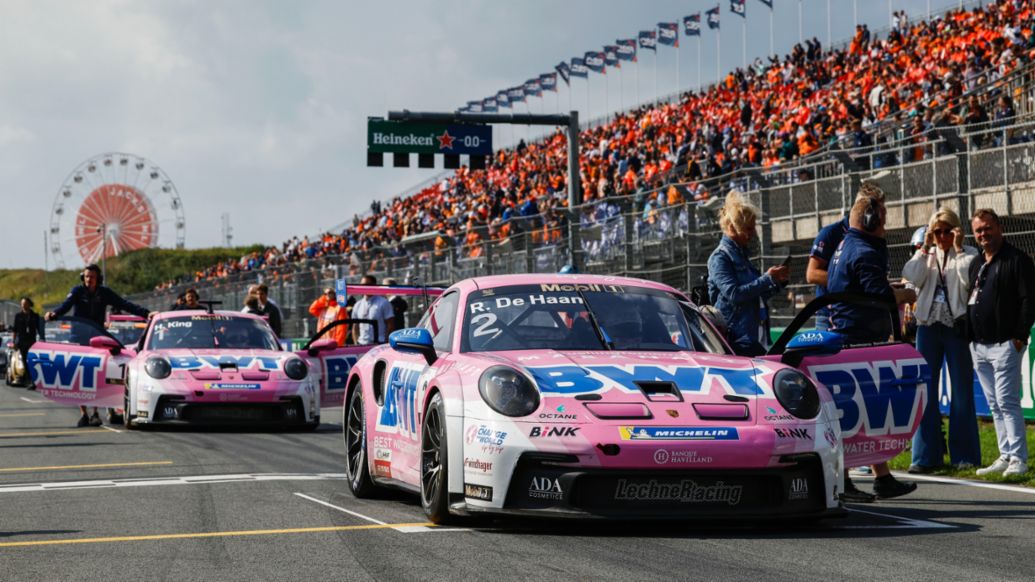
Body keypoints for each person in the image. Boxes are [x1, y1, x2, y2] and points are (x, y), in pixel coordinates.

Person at [827, 186, 918, 501]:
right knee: (851, 414)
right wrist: (905, 294)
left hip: (853, 338)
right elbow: (876, 296)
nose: (886, 224)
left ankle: (881, 476)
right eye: (883, 217)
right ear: (869, 218)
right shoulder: (864, 251)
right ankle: (844, 481)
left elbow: (866, 288)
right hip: (858, 342)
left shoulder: (847, 245)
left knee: (865, 412)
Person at [902, 207, 981, 473]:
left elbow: (967, 280)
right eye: (938, 231)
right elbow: (911, 278)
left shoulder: (968, 253)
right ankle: (925, 456)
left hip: (956, 327)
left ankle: (964, 456)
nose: (943, 236)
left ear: (957, 230)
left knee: (961, 392)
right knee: (925, 391)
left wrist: (957, 250)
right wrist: (924, 248)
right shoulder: (926, 254)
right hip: (927, 327)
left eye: (948, 230)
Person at [967, 209, 1034, 477]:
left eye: (987, 228)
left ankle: (1019, 458)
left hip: (1006, 343)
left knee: (1007, 401)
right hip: (979, 345)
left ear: (999, 227)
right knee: (994, 403)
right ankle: (1005, 454)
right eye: (978, 230)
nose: (983, 234)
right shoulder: (977, 262)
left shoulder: (1017, 260)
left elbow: (1030, 300)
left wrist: (1018, 337)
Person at [46, 264, 153, 427]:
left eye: (93, 277)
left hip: (97, 338)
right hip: (78, 338)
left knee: (96, 376)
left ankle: (96, 413)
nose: (89, 280)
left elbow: (124, 304)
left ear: (98, 279)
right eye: (87, 277)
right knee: (79, 376)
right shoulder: (77, 291)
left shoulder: (104, 293)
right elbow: (65, 306)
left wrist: (146, 313)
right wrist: (54, 314)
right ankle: (83, 413)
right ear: (83, 278)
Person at [707, 192, 789, 356]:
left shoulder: (742, 255)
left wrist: (777, 282)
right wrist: (766, 279)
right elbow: (734, 294)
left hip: (752, 336)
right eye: (748, 229)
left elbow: (755, 295)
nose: (752, 233)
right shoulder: (720, 257)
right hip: (734, 341)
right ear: (733, 227)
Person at [806, 183, 886, 331]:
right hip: (829, 314)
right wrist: (851, 284)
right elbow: (811, 274)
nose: (879, 216)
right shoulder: (830, 233)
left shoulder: (875, 236)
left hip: (861, 314)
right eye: (875, 210)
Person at [351, 274, 395, 345]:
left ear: (374, 285)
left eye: (367, 285)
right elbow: (355, 327)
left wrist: (386, 343)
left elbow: (391, 325)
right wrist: (356, 343)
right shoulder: (357, 305)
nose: (364, 287)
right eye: (362, 285)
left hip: (379, 345)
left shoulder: (384, 303)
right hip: (361, 345)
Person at [12, 297, 44, 390]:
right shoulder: (18, 316)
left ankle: (33, 381)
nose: (23, 305)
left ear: (29, 304)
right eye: (22, 303)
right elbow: (15, 330)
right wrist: (14, 342)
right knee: (25, 362)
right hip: (22, 342)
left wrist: (42, 339)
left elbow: (40, 330)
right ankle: (28, 380)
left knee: (32, 362)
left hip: (32, 342)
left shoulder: (35, 316)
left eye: (25, 303)